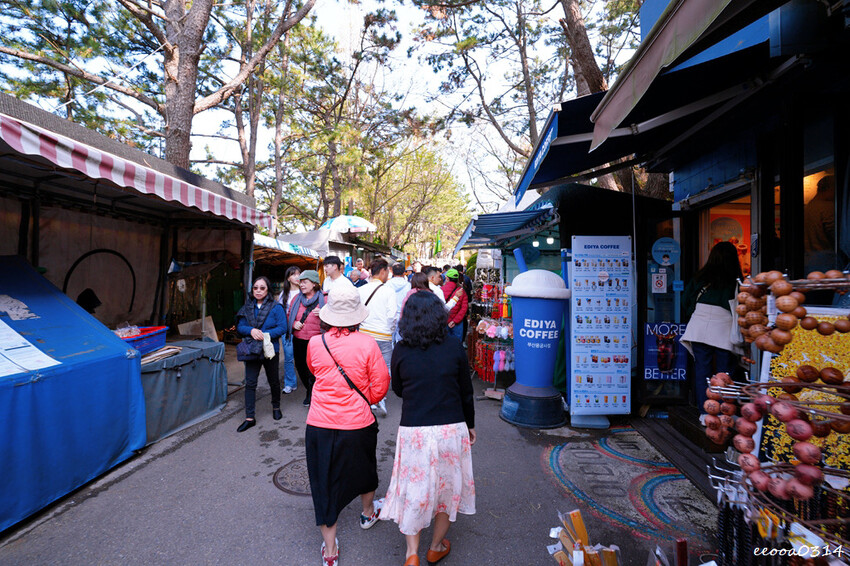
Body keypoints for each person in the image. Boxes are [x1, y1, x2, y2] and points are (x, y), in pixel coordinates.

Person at [381, 291, 476, 566]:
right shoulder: (454, 346)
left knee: (414, 490)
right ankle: (435, 547)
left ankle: (412, 554)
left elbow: (398, 389)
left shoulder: (401, 350)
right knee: (448, 489)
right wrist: (470, 425)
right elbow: (466, 392)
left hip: (415, 431)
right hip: (451, 428)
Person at [305, 285, 390, 566]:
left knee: (323, 482)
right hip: (358, 423)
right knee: (365, 468)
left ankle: (330, 551)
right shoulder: (367, 344)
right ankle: (367, 513)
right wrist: (364, 398)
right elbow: (380, 385)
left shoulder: (315, 343)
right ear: (356, 316)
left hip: (319, 423)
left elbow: (314, 371)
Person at [680, 241, 743, 410]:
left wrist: (696, 313)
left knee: (702, 371)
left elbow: (685, 301)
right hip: (724, 327)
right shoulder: (735, 280)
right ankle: (724, 411)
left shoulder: (700, 277)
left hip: (699, 326)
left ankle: (705, 411)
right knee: (724, 373)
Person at [235, 276, 288, 432]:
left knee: (273, 380)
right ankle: (249, 417)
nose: (258, 291)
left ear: (268, 290)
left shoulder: (276, 307)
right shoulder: (247, 307)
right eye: (255, 288)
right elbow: (240, 326)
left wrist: (265, 335)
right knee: (250, 383)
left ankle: (276, 407)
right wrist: (251, 330)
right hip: (252, 349)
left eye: (262, 288)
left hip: (270, 349)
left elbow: (282, 327)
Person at [358, 259, 398, 417]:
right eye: (387, 271)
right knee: (384, 367)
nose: (388, 274)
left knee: (366, 367)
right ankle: (380, 396)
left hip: (364, 334)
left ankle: (368, 397)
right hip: (383, 335)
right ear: (382, 271)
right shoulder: (388, 291)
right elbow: (392, 315)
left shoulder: (361, 290)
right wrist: (390, 331)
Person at [289, 270, 325, 406]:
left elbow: (335, 317)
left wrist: (324, 313)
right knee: (301, 367)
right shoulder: (296, 299)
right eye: (301, 282)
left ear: (314, 284)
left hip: (317, 340)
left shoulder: (325, 299)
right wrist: (293, 323)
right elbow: (288, 315)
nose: (301, 285)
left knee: (315, 369)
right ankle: (309, 389)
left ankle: (313, 393)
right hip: (299, 339)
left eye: (305, 282)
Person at [276, 266, 301, 394]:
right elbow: (280, 314)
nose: (297, 277)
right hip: (288, 331)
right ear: (288, 278)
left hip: (302, 329)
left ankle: (310, 382)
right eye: (293, 274)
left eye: (298, 274)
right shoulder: (283, 294)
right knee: (289, 357)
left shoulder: (304, 292)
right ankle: (290, 383)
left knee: (304, 357)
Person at [804, 174, 836, 273]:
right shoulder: (828, 207)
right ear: (829, 189)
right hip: (826, 260)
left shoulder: (808, 207)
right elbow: (834, 234)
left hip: (808, 260)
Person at [441, 269, 468, 341]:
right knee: (457, 343)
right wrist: (455, 321)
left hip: (444, 321)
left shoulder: (440, 290)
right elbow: (464, 308)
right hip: (457, 322)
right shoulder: (461, 291)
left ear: (447, 278)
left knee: (444, 343)